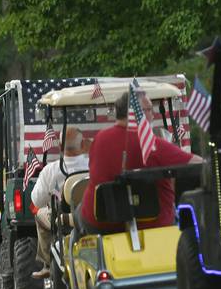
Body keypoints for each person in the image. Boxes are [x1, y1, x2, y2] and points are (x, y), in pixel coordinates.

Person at [77, 92, 203, 235]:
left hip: (99, 223)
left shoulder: (98, 139)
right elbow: (198, 164)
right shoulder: (152, 144)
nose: (153, 115)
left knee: (79, 210)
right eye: (148, 109)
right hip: (152, 225)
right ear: (136, 112)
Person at [29, 127, 90, 279]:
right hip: (90, 213)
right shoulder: (93, 163)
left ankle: (47, 264)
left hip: (63, 217)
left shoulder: (51, 170)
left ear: (60, 147)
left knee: (39, 214)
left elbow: (36, 200)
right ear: (83, 144)